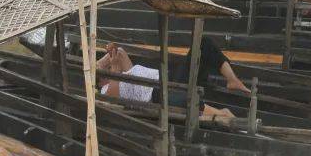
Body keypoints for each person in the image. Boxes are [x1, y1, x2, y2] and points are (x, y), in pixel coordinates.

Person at [97, 39, 246, 120]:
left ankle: (232, 80)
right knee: (185, 99)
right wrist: (110, 66)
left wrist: (110, 51)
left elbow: (120, 52)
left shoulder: (124, 73)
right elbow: (112, 72)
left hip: (170, 80)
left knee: (203, 44)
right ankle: (223, 114)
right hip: (158, 94)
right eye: (104, 70)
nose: (107, 66)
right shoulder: (106, 91)